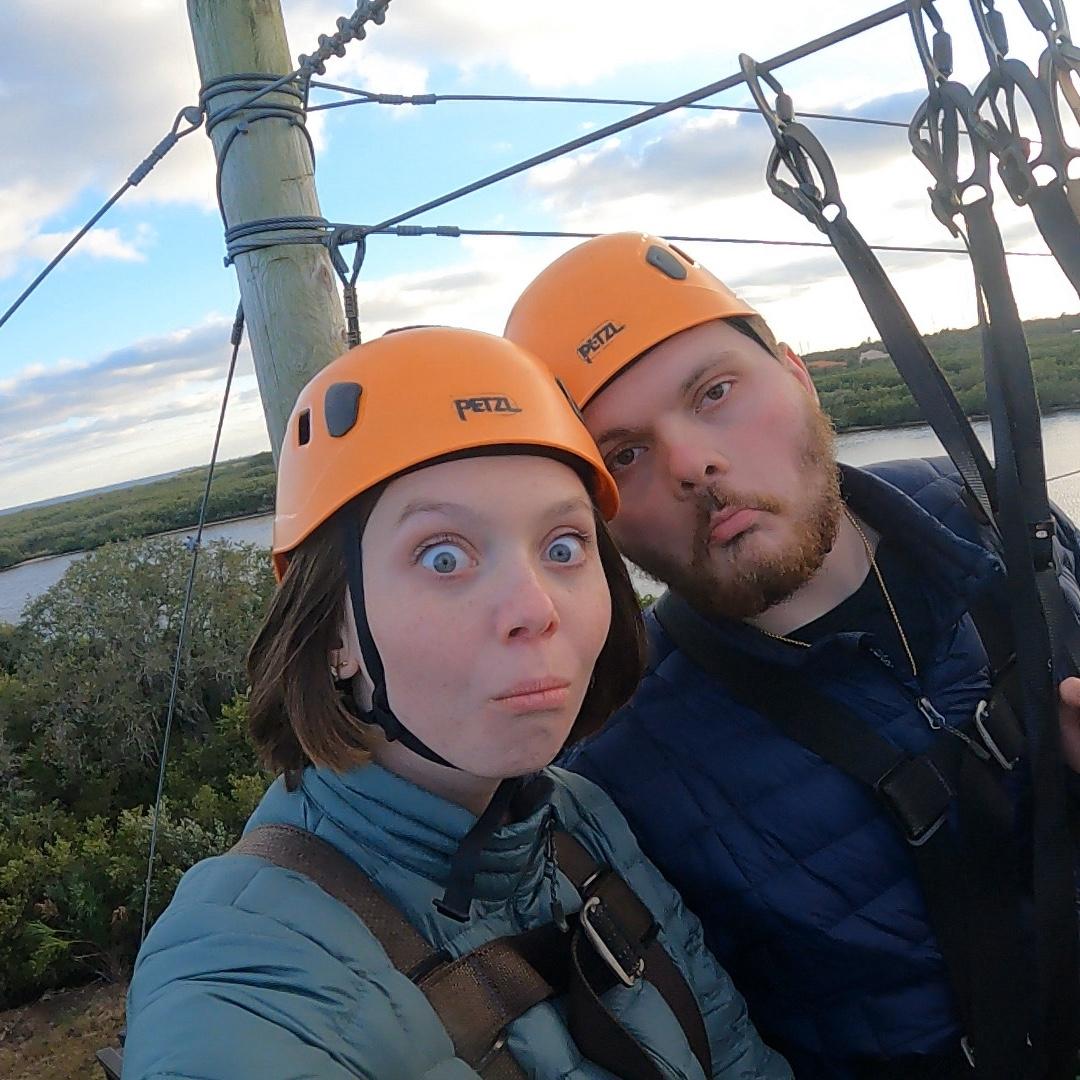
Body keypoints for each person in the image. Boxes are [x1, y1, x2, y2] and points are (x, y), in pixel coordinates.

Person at [121, 327, 790, 1080]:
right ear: (331, 633)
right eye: (444, 556)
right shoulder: (246, 969)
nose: (535, 608)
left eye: (564, 546)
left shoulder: (576, 819)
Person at [505, 233, 1080, 1079]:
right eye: (624, 454)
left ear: (798, 372)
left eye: (715, 392)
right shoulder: (620, 764)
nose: (693, 462)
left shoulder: (996, 515)